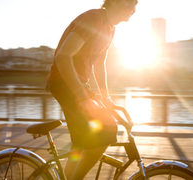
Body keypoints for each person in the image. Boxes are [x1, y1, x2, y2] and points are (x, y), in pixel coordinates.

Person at [46, 0, 138, 179]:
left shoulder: (110, 28)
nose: (133, 8)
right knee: (107, 128)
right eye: (128, 2)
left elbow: (99, 63)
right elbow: (63, 56)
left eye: (135, 4)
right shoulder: (93, 18)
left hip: (78, 84)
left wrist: (105, 96)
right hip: (63, 81)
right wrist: (82, 97)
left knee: (81, 142)